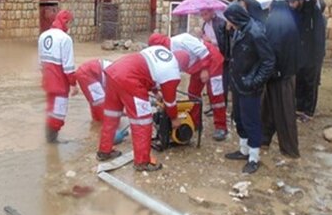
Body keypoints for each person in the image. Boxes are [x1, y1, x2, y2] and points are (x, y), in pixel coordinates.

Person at [97, 33, 181, 172]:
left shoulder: (157, 51)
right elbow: (170, 101)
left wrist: (156, 93)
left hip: (113, 72)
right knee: (142, 121)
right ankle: (142, 161)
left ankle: (104, 151)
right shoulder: (173, 70)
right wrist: (174, 118)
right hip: (130, 80)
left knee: (111, 116)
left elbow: (147, 70)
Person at [223, 3, 275, 174]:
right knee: (239, 117)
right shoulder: (239, 30)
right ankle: (243, 149)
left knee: (251, 120)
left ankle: (254, 157)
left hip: (249, 85)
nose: (228, 23)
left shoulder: (255, 33)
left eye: (229, 20)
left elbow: (268, 61)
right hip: (238, 83)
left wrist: (255, 82)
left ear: (236, 18)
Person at [151, 32, 228, 141]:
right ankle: (195, 122)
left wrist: (205, 69)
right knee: (193, 93)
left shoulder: (183, 39)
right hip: (196, 66)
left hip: (211, 61)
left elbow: (204, 52)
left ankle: (221, 127)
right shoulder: (166, 53)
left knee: (216, 95)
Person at [261, 0, 301, 158]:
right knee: (268, 110)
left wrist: (272, 71)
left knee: (284, 113)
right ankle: (263, 139)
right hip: (284, 72)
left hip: (280, 75)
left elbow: (273, 47)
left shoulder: (275, 20)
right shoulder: (287, 18)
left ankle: (290, 149)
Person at [38, 10, 78, 143]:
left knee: (51, 109)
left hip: (47, 81)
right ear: (66, 22)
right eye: (70, 23)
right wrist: (73, 84)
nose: (70, 26)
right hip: (60, 83)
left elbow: (40, 62)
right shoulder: (65, 39)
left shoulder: (43, 35)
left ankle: (48, 140)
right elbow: (68, 66)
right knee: (59, 113)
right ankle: (52, 142)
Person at [296, 0, 326, 121]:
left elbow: (318, 40)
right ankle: (300, 108)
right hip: (304, 55)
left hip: (313, 57)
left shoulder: (317, 18)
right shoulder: (305, 17)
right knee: (301, 80)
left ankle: (308, 111)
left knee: (310, 83)